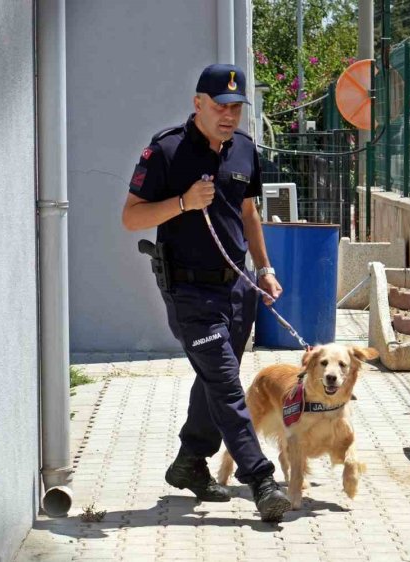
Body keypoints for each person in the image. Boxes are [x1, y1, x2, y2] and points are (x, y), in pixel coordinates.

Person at [121, 63, 291, 522]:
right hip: (189, 293)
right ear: (198, 103)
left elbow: (250, 213)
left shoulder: (244, 151)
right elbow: (131, 217)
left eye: (236, 107)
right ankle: (260, 480)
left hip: (238, 288)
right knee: (226, 383)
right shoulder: (167, 151)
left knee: (214, 378)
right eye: (220, 105)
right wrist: (181, 203)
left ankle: (190, 462)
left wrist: (266, 268)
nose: (228, 115)